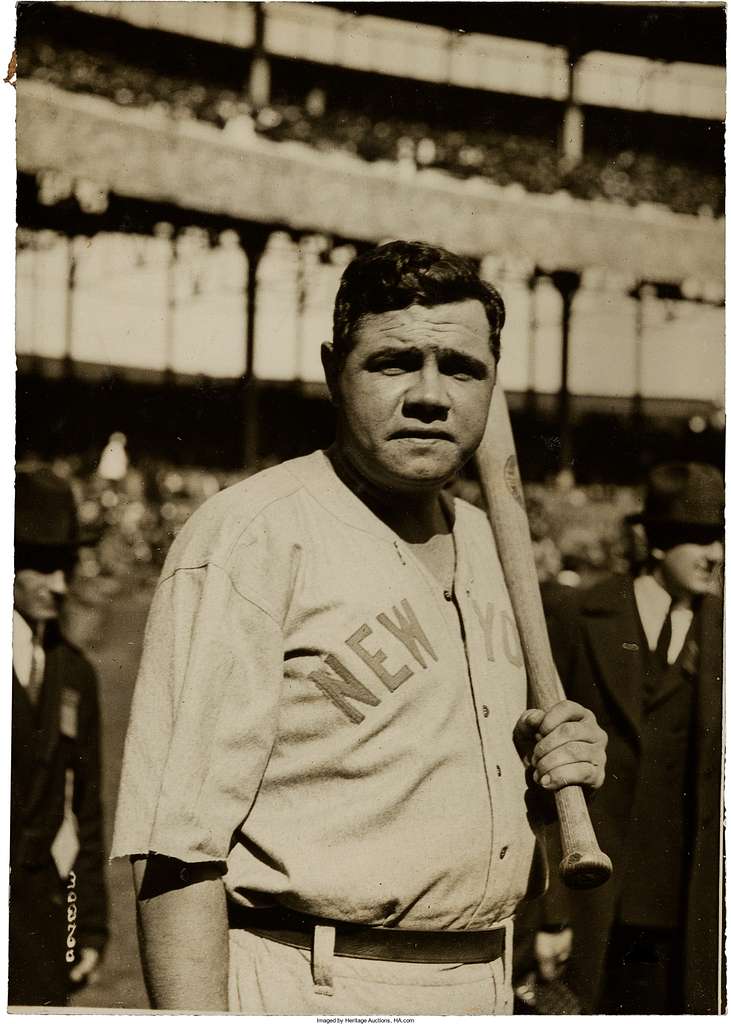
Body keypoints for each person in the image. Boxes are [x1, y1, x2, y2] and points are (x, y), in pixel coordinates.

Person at [112, 240, 607, 1015]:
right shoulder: (252, 537)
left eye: (461, 369)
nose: (429, 395)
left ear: (491, 386)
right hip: (309, 973)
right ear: (331, 371)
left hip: (482, 972)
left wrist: (548, 783)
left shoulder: (493, 545)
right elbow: (177, 852)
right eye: (393, 362)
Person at [535, 461, 724, 1013]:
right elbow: (542, 767)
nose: (714, 553)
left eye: (719, 538)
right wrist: (551, 912)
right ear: (659, 545)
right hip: (589, 897)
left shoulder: (722, 632)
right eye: (697, 538)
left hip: (686, 906)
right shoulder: (578, 614)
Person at [11, 468, 108, 1006]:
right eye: (42, 565)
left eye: (64, 565)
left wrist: (87, 924)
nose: (60, 585)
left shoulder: (74, 673)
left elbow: (84, 808)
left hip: (46, 917)